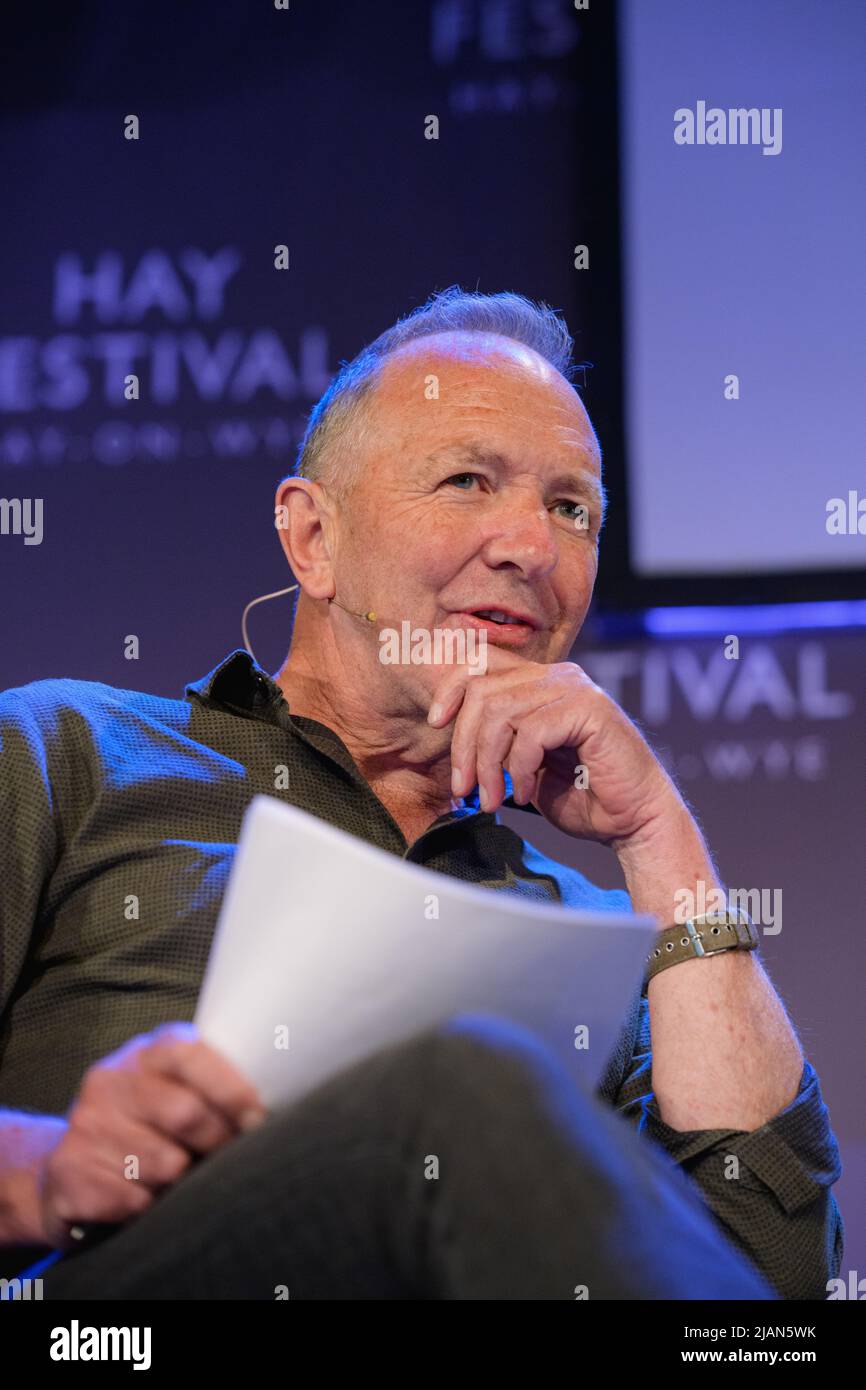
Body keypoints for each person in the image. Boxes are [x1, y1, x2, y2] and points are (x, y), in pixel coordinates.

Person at [0, 288, 842, 1300]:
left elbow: (765, 1285)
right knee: (464, 1074)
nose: (530, 547)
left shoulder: (598, 948)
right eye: (465, 480)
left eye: (570, 508)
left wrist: (659, 837)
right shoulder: (68, 754)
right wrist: (49, 1170)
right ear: (313, 538)